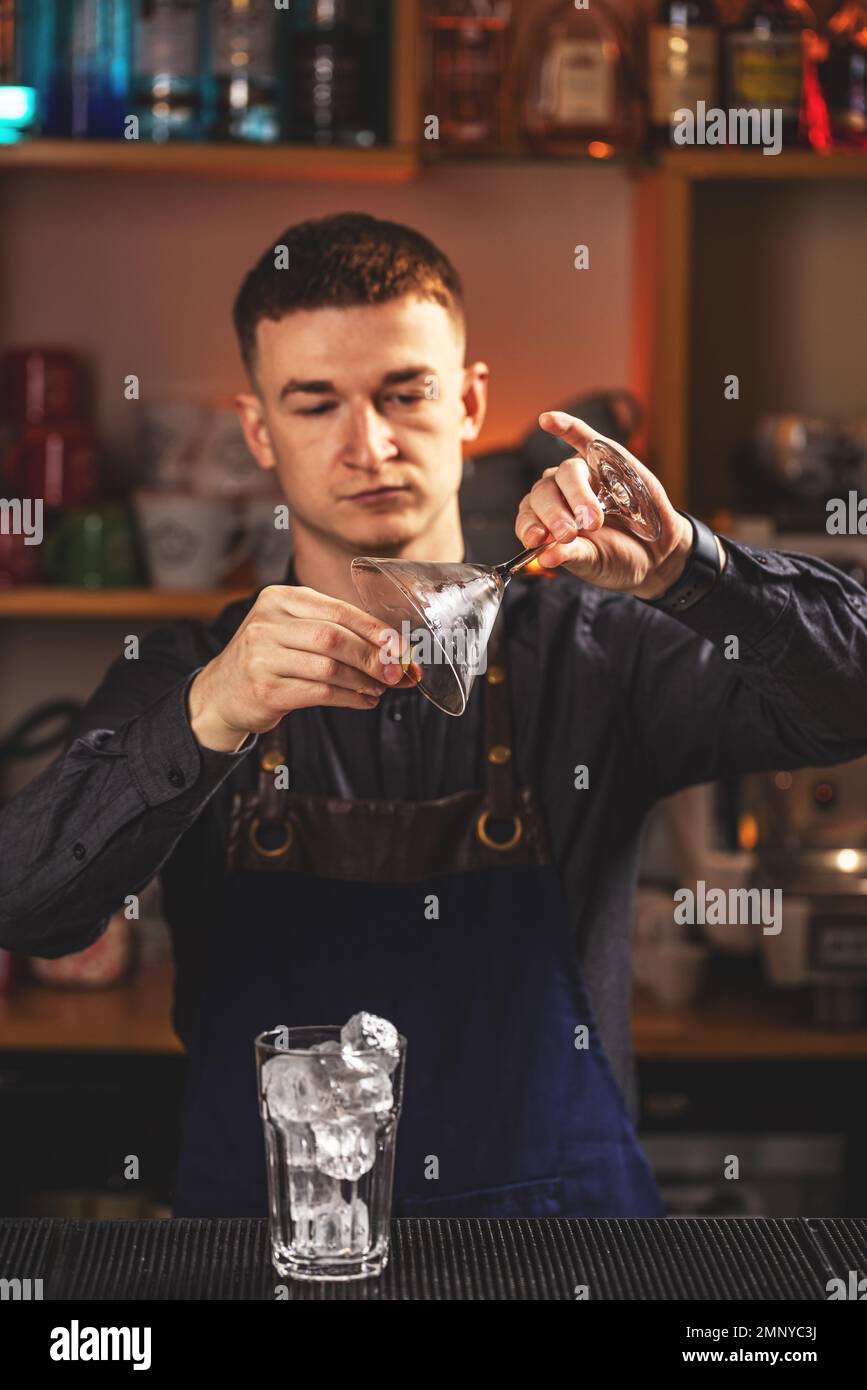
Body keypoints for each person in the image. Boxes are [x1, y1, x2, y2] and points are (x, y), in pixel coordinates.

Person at [2, 212, 867, 1219]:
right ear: (257, 430)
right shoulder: (194, 674)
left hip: (558, 1257)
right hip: (267, 1253)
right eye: (315, 402)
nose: (368, 444)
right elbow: (28, 910)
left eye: (404, 392)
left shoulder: (602, 649)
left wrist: (688, 568)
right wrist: (207, 716)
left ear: (469, 403)